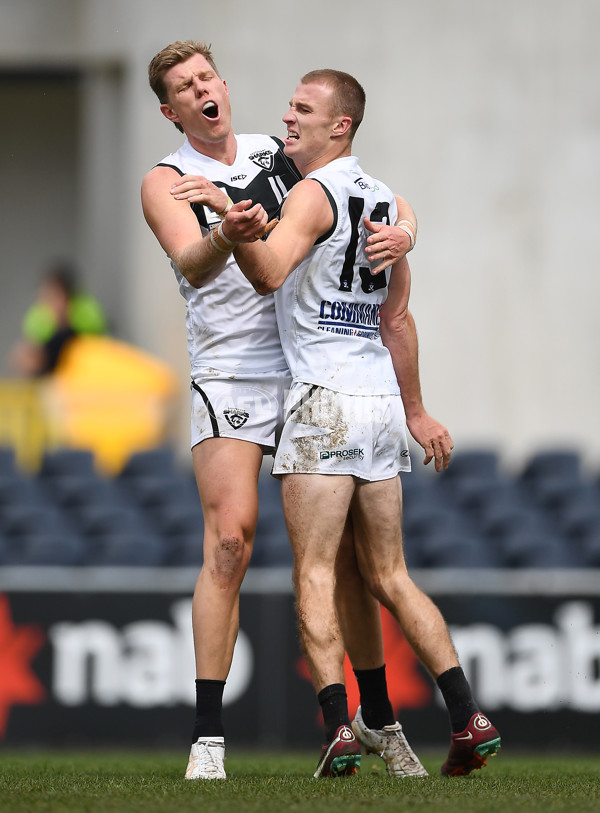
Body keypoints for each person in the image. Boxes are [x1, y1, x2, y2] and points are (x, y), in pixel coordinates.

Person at [142, 41, 426, 782]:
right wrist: (223, 234)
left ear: (223, 85)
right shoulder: (169, 178)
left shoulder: (281, 150)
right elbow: (193, 265)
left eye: (205, 76)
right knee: (230, 543)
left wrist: (408, 232)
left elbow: (368, 193)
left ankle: (378, 717)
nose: (200, 89)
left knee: (356, 564)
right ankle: (209, 735)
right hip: (233, 373)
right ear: (170, 110)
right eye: (183, 87)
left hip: (307, 370)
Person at [221, 69, 501, 778]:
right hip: (378, 403)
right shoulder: (385, 200)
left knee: (313, 569)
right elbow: (396, 316)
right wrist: (416, 409)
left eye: (303, 110)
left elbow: (269, 274)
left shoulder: (313, 194)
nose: (289, 118)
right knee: (390, 573)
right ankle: (467, 713)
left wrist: (237, 235)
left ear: (340, 125)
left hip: (321, 397)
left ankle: (336, 728)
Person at [9, 263, 107, 377]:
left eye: (55, 296)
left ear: (68, 296)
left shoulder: (85, 310)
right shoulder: (37, 317)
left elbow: (98, 345)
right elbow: (32, 352)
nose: (51, 304)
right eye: (45, 297)